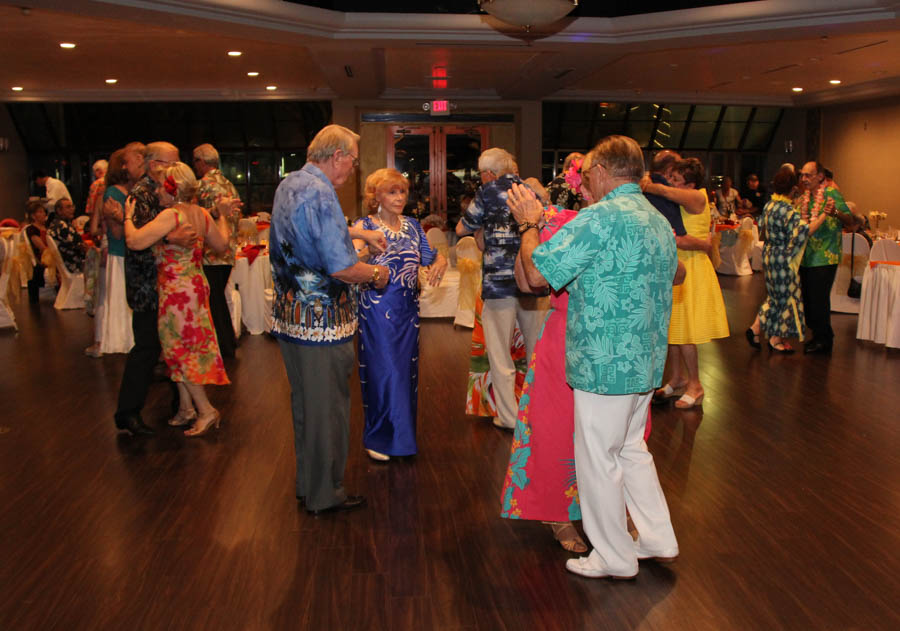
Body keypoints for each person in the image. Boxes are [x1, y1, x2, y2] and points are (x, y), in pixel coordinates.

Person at [510, 135, 684, 580]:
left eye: (588, 174)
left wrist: (529, 224)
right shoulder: (655, 218)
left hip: (603, 363)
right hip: (645, 361)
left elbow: (534, 276)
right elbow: (676, 274)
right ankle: (657, 537)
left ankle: (614, 556)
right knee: (630, 450)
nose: (586, 182)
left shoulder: (601, 218)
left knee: (599, 458)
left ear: (603, 172)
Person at [270, 124, 388, 515]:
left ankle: (309, 485)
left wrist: (357, 233)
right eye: (352, 162)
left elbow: (311, 236)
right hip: (322, 321)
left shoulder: (290, 183)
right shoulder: (322, 193)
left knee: (306, 408)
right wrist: (376, 274)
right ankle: (326, 494)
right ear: (337, 156)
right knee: (329, 413)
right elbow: (340, 268)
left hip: (291, 317)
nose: (352, 170)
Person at [124, 162, 232, 436]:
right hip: (195, 286)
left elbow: (135, 242)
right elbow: (222, 246)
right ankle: (186, 408)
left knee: (180, 351)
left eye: (161, 185)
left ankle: (206, 410)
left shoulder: (171, 215)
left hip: (177, 293)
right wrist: (222, 216)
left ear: (172, 190)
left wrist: (127, 217)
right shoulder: (200, 214)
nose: (158, 190)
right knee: (185, 346)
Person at [352, 168, 447, 462]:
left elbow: (431, 256)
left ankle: (402, 439)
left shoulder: (413, 226)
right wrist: (366, 249)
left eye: (402, 191)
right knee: (384, 371)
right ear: (376, 196)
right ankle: (379, 436)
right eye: (391, 192)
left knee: (406, 373)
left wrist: (441, 261)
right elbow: (350, 262)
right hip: (377, 309)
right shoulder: (365, 225)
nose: (399, 197)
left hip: (408, 311)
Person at [456, 147, 548, 430]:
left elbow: (462, 229)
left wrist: (481, 227)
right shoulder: (531, 191)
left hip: (499, 283)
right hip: (531, 279)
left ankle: (508, 417)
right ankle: (538, 413)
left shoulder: (487, 192)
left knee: (500, 353)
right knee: (535, 354)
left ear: (488, 173)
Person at [111, 141, 197, 437]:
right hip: (149, 285)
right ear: (152, 164)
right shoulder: (143, 195)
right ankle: (128, 413)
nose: (172, 169)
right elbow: (136, 242)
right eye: (167, 162)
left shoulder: (164, 193)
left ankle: (181, 406)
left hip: (167, 284)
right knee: (147, 348)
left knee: (174, 347)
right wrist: (171, 240)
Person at [644, 158, 729, 408]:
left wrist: (649, 185)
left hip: (691, 267)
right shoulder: (680, 198)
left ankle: (696, 384)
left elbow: (679, 239)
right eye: (670, 178)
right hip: (679, 264)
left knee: (687, 330)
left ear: (690, 184)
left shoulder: (698, 198)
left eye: (676, 180)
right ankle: (678, 377)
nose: (670, 183)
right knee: (675, 328)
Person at [746, 167, 830, 353]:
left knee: (775, 297)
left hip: (769, 254)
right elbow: (804, 233)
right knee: (786, 299)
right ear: (792, 189)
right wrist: (824, 215)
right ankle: (776, 339)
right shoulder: (788, 211)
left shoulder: (769, 205)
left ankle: (756, 329)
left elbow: (761, 227)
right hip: (784, 258)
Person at [796, 161, 855, 354]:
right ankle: (817, 335)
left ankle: (824, 339)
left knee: (819, 298)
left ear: (820, 176)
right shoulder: (804, 198)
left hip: (825, 256)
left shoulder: (831, 194)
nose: (804, 179)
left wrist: (835, 212)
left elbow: (850, 222)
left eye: (808, 175)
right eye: (802, 175)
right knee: (808, 298)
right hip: (806, 255)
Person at [193, 143, 241, 358]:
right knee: (218, 297)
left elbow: (197, 219)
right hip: (229, 250)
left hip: (211, 252)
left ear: (201, 162)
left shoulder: (202, 186)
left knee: (214, 300)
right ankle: (228, 342)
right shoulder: (230, 185)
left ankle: (224, 346)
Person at [85, 149, 134, 358]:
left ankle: (101, 341)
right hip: (114, 247)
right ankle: (107, 340)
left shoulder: (102, 191)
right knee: (110, 296)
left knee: (105, 297)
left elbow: (93, 228)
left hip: (108, 246)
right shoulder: (114, 193)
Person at [48, 198, 85, 273]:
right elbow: (79, 245)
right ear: (59, 211)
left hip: (65, 264)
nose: (72, 209)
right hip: (72, 265)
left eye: (72, 206)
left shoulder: (56, 223)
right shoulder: (62, 226)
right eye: (68, 207)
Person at [24, 201, 48, 304]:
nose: (43, 214)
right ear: (33, 216)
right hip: (42, 256)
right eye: (40, 212)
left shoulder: (47, 227)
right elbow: (42, 247)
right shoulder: (31, 229)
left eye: (43, 211)